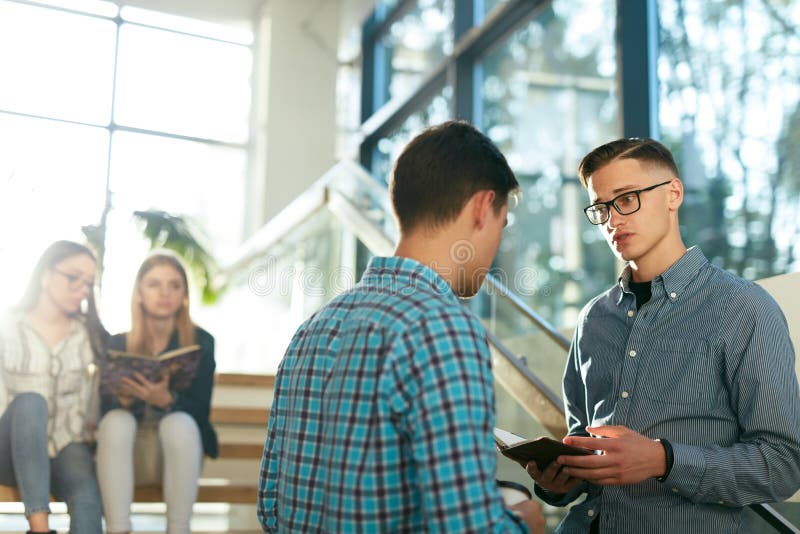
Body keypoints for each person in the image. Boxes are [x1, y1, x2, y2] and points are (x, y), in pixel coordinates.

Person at [257, 120, 545, 533]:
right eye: (502, 223)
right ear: (483, 208)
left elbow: (271, 507)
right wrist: (525, 525)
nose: (496, 245)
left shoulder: (312, 330)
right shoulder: (443, 328)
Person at [527, 137, 800, 533]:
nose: (611, 221)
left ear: (673, 194)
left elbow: (783, 465)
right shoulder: (594, 320)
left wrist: (663, 460)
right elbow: (583, 447)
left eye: (625, 199)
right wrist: (559, 483)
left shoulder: (744, 308)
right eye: (600, 208)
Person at [96, 251, 218, 534]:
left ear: (184, 294)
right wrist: (123, 399)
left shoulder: (202, 342)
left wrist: (168, 400)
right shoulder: (117, 342)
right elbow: (102, 409)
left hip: (177, 453)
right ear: (139, 292)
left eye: (174, 285)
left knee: (179, 422)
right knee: (115, 420)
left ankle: (178, 529)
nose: (165, 293)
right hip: (129, 454)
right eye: (154, 284)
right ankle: (118, 529)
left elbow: (201, 411)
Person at [0, 240, 106, 534]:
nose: (82, 289)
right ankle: (39, 528)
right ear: (46, 275)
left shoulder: (87, 335)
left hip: (64, 445)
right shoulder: (6, 325)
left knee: (86, 499)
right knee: (31, 402)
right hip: (8, 450)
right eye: (73, 277)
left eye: (88, 283)